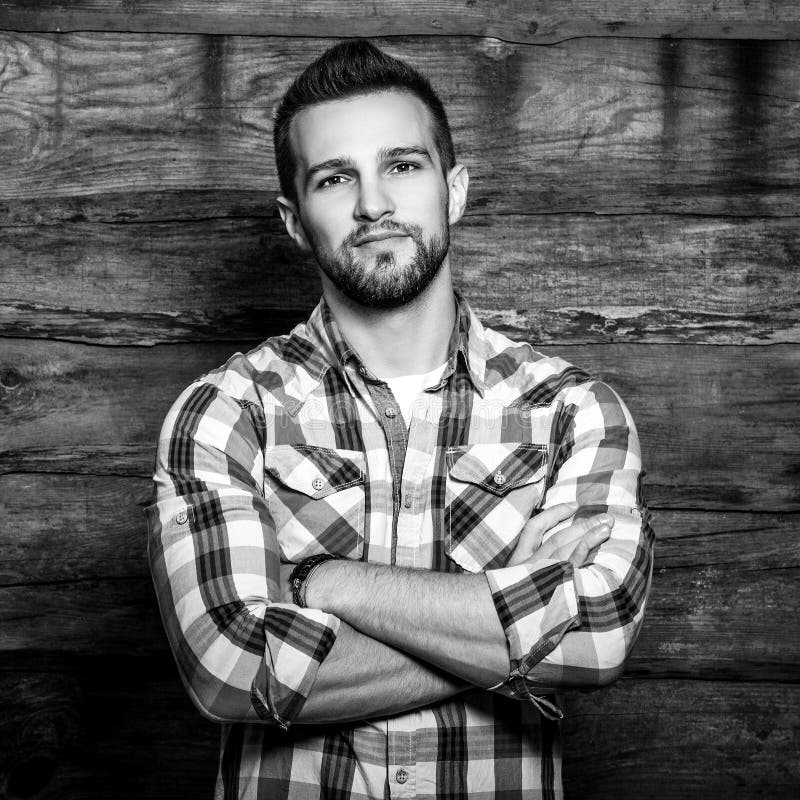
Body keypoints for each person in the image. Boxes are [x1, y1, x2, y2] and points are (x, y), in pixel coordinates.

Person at [146, 39, 654, 800]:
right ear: (293, 220)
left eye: (402, 166)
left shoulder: (572, 412)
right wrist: (508, 624)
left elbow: (599, 634)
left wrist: (328, 582)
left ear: (454, 190)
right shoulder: (225, 412)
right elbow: (231, 669)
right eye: (335, 177)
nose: (373, 203)